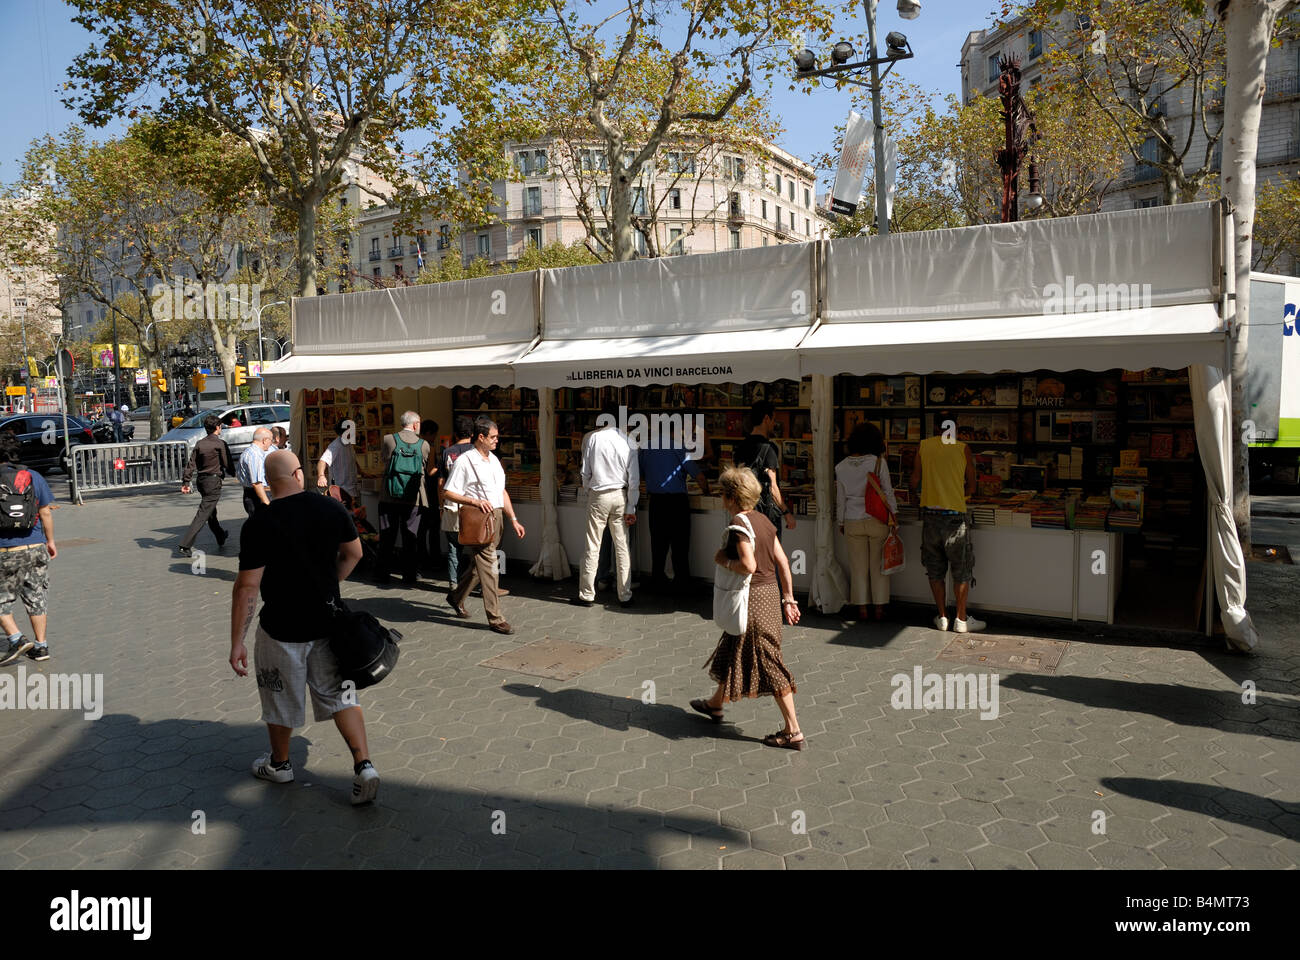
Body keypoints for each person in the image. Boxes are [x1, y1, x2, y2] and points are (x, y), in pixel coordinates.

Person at [230, 449, 380, 805]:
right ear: (299, 474)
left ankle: (280, 764)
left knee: (279, 695)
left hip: (281, 627)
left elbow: (247, 586)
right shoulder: (330, 508)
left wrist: (237, 641)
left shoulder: (259, 524)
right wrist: (330, 586)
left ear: (268, 482)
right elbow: (355, 553)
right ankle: (364, 766)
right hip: (330, 623)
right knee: (342, 696)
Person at [691, 468, 804, 749]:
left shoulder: (740, 525)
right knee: (734, 644)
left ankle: (794, 730)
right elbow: (783, 563)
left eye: (722, 493)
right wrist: (788, 599)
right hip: (769, 595)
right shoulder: (764, 520)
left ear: (730, 496)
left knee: (768, 660)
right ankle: (715, 704)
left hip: (752, 599)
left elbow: (748, 566)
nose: (721, 498)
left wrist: (723, 561)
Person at [442, 417, 525, 634]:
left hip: (496, 518)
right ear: (481, 437)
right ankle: (496, 618)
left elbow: (502, 492)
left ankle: (456, 596)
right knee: (489, 566)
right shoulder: (465, 461)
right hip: (478, 519)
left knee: (480, 567)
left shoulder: (494, 460)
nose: (497, 441)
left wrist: (513, 519)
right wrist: (474, 501)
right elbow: (448, 492)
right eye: (493, 437)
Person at [912, 414, 983, 633]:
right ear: (956, 428)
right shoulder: (962, 448)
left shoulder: (924, 446)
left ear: (935, 428)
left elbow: (915, 480)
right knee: (961, 569)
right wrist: (958, 494)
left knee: (935, 569)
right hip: (955, 517)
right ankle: (961, 619)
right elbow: (972, 485)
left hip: (930, 517)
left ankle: (942, 617)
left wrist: (922, 498)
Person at [572, 402, 639, 608]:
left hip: (598, 495)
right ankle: (624, 594)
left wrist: (588, 487)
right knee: (622, 546)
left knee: (593, 545)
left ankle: (587, 594)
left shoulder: (593, 438)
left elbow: (585, 472)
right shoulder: (628, 441)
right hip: (620, 495)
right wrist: (631, 507)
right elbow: (634, 479)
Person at [0, 433, 56, 665]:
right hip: (35, 547)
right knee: (36, 598)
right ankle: (41, 647)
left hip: (5, 550)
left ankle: (16, 638)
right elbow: (45, 512)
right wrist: (50, 541)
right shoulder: (33, 476)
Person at [640, 419, 711, 590]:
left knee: (658, 544)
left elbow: (640, 473)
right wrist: (707, 490)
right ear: (673, 432)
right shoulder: (678, 447)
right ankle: (681, 581)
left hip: (656, 502)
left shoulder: (646, 448)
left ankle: (657, 579)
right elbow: (698, 476)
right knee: (680, 544)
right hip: (677, 502)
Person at [836, 423, 897, 621]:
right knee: (879, 567)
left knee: (858, 568)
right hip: (876, 519)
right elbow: (887, 492)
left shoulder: (841, 467)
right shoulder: (878, 463)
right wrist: (894, 517)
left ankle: (862, 609)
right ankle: (879, 609)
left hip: (852, 521)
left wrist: (840, 521)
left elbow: (841, 498)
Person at [376, 411, 430, 584]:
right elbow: (424, 467)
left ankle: (382, 573)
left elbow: (384, 460)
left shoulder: (388, 440)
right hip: (413, 498)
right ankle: (409, 574)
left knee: (387, 536)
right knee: (411, 537)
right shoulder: (424, 445)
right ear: (415, 425)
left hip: (389, 496)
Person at [735, 400, 796, 541]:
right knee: (769, 558)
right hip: (766, 514)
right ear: (766, 418)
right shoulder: (769, 448)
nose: (774, 424)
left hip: (745, 511)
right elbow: (773, 486)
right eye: (773, 419)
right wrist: (787, 513)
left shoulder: (741, 446)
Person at [178, 414, 234, 557]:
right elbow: (227, 464)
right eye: (220, 426)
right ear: (217, 427)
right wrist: (234, 473)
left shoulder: (200, 443)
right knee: (203, 513)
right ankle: (185, 544)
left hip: (201, 481)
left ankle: (220, 536)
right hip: (213, 482)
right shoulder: (220, 444)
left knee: (210, 512)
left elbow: (191, 464)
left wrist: (186, 481)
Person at [437, 416, 474, 588]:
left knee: (453, 547)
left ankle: (454, 582)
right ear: (473, 434)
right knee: (479, 547)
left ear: (454, 434)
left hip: (451, 505)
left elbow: (441, 483)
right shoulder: (477, 452)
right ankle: (478, 582)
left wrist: (440, 506)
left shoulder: (447, 452)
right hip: (474, 506)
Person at [316, 419, 360, 510]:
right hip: (341, 494)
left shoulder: (349, 444)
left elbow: (352, 460)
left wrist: (362, 472)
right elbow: (322, 461)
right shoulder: (335, 446)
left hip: (352, 491)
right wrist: (321, 475)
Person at [416, 418, 441, 575]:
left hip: (418, 492)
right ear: (429, 433)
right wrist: (442, 467)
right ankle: (435, 561)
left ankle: (421, 559)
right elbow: (431, 471)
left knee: (420, 530)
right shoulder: (429, 447)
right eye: (434, 435)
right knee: (433, 529)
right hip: (430, 492)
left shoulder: (415, 445)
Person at [237, 427, 275, 516]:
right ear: (265, 440)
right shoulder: (255, 455)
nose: (271, 443)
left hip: (252, 494)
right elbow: (257, 483)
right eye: (271, 440)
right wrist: (267, 503)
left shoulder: (249, 452)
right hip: (257, 496)